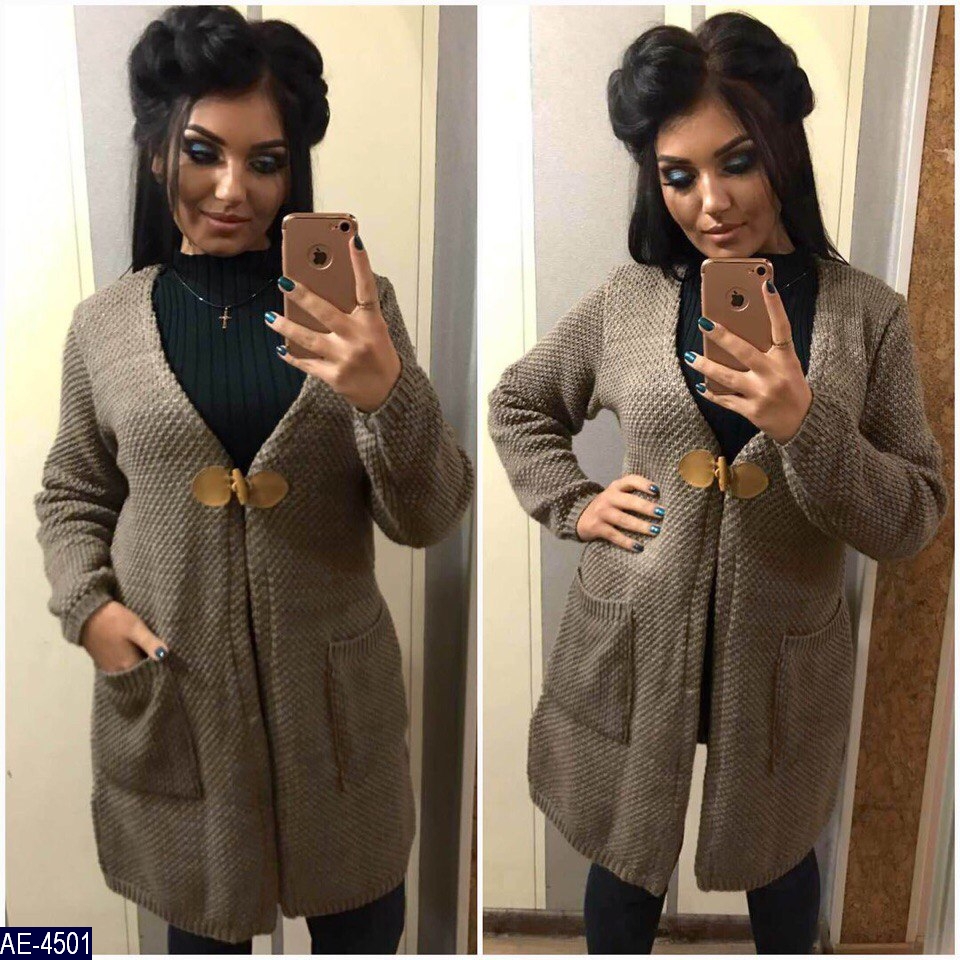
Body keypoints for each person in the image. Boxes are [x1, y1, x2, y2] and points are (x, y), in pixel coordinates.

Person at [487, 12, 947, 955]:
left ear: (783, 147)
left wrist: (805, 423)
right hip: (635, 638)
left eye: (737, 161)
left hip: (780, 658)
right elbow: (519, 403)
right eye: (679, 174)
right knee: (624, 865)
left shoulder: (868, 317)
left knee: (781, 867)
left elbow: (914, 516)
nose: (711, 202)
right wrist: (576, 503)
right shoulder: (630, 299)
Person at [34, 6, 474, 953]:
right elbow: (73, 491)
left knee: (364, 929)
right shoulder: (105, 326)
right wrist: (88, 609)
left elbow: (430, 514)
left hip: (337, 722)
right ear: (158, 150)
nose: (233, 189)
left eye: (265, 161)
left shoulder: (357, 308)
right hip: (180, 707)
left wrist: (384, 393)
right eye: (203, 152)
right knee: (202, 935)